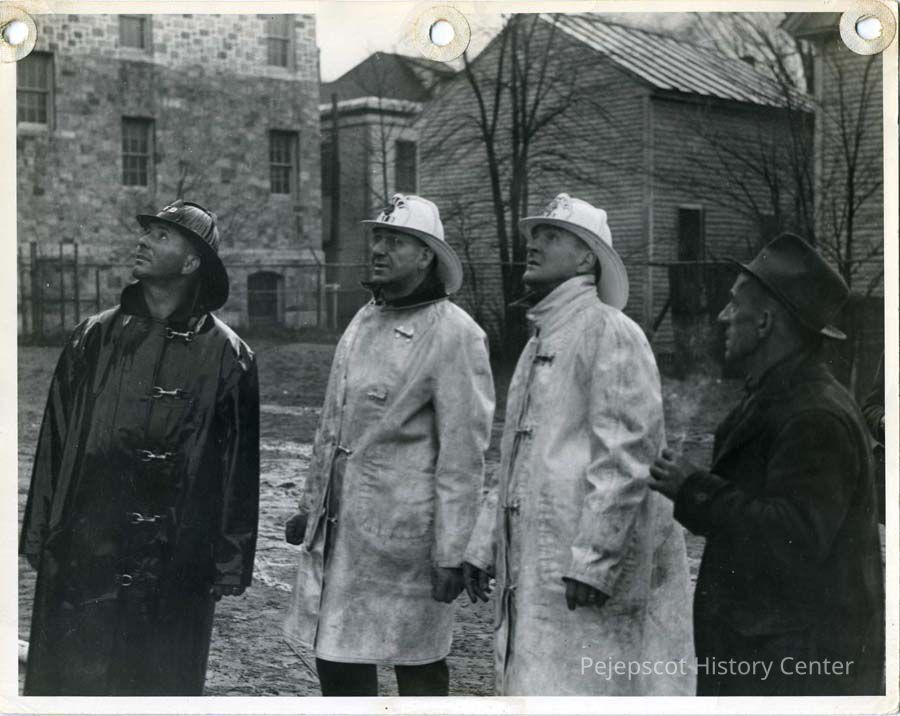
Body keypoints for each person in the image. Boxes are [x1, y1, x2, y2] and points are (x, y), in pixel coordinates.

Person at [19, 200, 260, 696]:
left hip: (177, 558)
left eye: (162, 235)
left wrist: (231, 558)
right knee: (72, 681)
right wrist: (40, 530)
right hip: (84, 550)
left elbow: (239, 466)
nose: (143, 241)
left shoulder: (229, 357)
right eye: (146, 231)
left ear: (191, 262)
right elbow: (55, 439)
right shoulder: (93, 338)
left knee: (156, 684)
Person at [462, 193, 694, 696]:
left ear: (587, 258)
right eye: (534, 235)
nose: (534, 244)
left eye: (551, 236)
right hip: (541, 564)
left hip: (582, 577)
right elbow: (516, 458)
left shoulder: (610, 332)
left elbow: (626, 458)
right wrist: (485, 543)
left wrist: (594, 560)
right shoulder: (540, 341)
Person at [649, 233, 884, 696]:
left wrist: (694, 488)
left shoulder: (814, 415)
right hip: (771, 655)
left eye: (734, 303)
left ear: (764, 322)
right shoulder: (779, 395)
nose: (722, 316)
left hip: (801, 670)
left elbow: (791, 536)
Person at [282, 193, 494, 696]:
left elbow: (463, 456)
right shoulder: (362, 320)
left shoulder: (455, 333)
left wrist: (452, 552)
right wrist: (310, 506)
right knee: (337, 660)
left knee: (416, 664)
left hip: (407, 545)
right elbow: (332, 425)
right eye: (378, 237)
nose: (378, 249)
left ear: (426, 256)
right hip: (344, 534)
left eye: (396, 241)